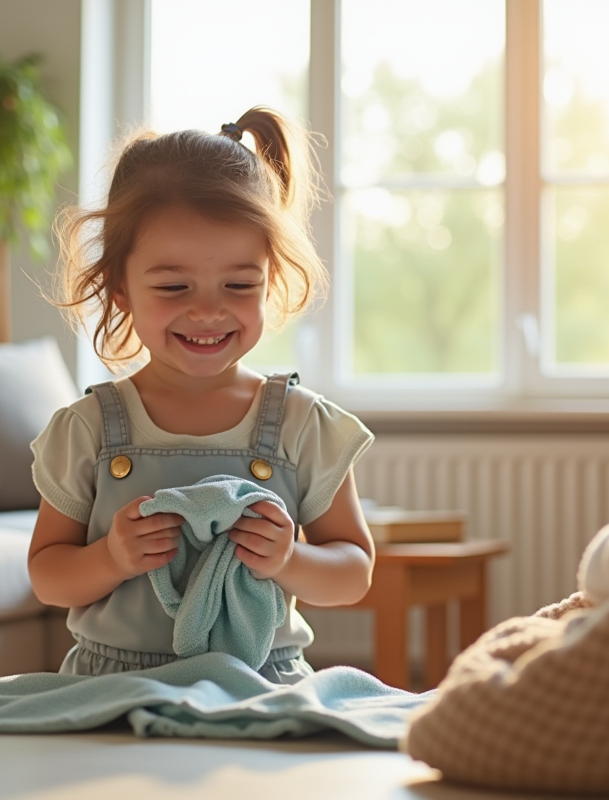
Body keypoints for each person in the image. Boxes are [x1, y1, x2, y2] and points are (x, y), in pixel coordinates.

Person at [28, 107, 375, 684]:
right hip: (114, 688)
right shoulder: (86, 429)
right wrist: (110, 558)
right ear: (120, 290)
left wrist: (291, 559)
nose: (209, 309)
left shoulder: (301, 423)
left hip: (261, 682)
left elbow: (354, 570)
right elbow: (47, 574)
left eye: (240, 285)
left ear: (271, 280)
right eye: (173, 286)